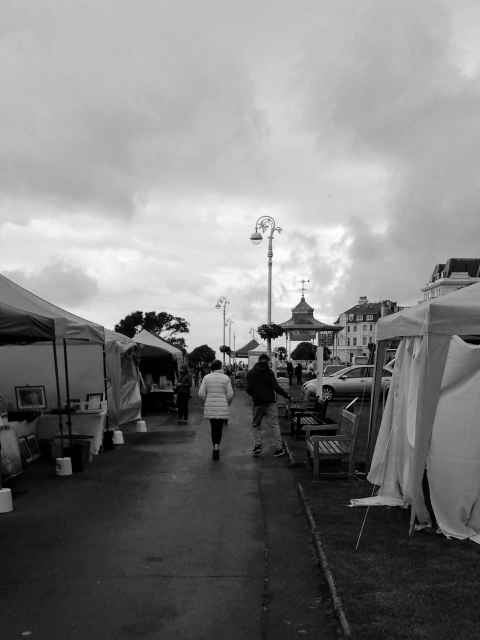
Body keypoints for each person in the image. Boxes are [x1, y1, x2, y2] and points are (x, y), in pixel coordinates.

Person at [246, 353, 291, 457]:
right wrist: (287, 395)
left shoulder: (251, 373)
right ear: (267, 361)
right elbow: (276, 387)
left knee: (256, 425)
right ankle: (279, 449)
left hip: (258, 403)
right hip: (270, 402)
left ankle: (257, 447)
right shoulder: (269, 372)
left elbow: (248, 389)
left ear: (258, 360)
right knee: (274, 425)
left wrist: (255, 395)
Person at [198, 359, 234, 460]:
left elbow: (201, 393)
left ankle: (215, 447)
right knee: (219, 428)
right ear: (220, 367)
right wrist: (226, 402)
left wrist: (206, 401)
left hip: (210, 407)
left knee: (213, 428)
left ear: (212, 368)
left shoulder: (206, 378)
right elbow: (230, 394)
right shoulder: (226, 378)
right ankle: (217, 446)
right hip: (222, 407)